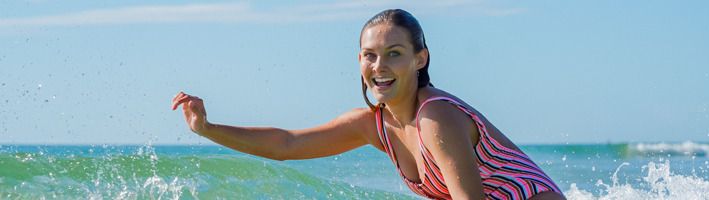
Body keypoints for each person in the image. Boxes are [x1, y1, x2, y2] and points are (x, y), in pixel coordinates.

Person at [171, 9, 565, 200]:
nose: (380, 67)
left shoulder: (437, 117)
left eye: (394, 53)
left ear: (420, 59)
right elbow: (287, 144)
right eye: (369, 55)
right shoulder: (373, 124)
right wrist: (208, 128)